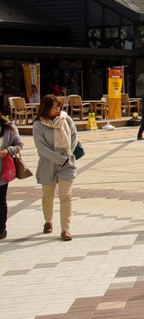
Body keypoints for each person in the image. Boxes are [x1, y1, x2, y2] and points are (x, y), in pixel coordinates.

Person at [33, 95, 78, 241]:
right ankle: (48, 221)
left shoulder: (66, 119)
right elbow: (42, 148)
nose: (57, 109)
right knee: (48, 196)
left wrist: (67, 157)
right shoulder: (38, 125)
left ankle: (65, 229)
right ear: (46, 108)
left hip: (67, 163)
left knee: (66, 196)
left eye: (59, 106)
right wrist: (60, 159)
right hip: (48, 164)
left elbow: (74, 138)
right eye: (54, 107)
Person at [0, 113, 25, 240]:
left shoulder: (8, 127)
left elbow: (19, 144)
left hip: (1, 171)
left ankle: (1, 229)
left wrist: (8, 151)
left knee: (1, 200)